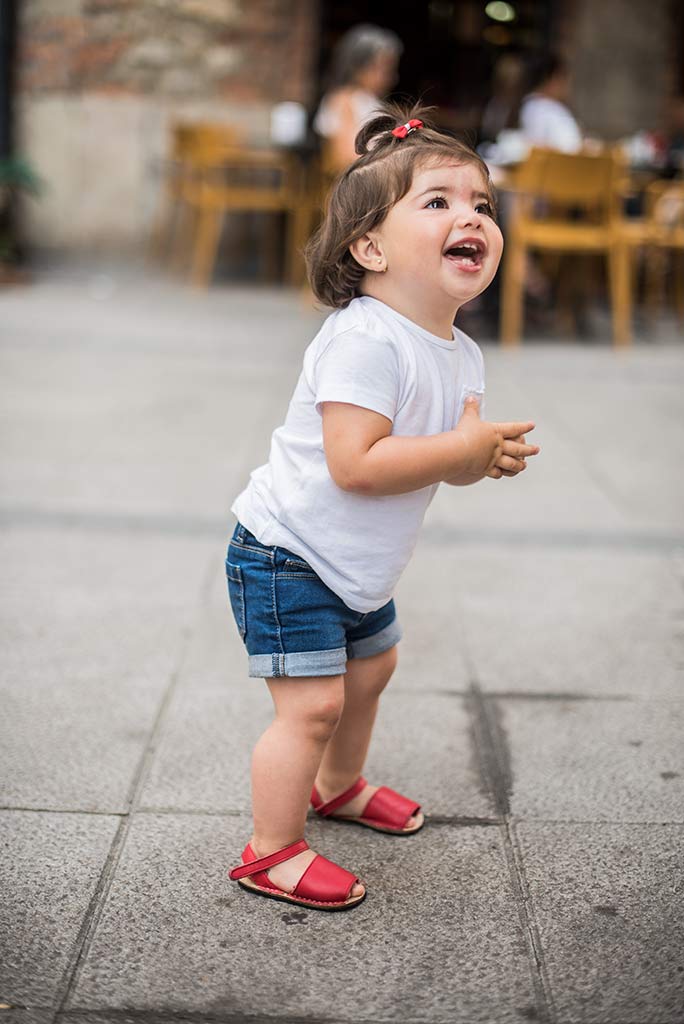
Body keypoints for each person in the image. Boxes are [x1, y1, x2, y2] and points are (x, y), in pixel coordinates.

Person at [225, 101, 540, 912]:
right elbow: (356, 465)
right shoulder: (366, 338)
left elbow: (434, 460)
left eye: (481, 205)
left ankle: (338, 787)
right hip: (288, 552)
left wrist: (476, 462)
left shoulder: (459, 351)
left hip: (354, 563)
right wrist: (457, 454)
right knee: (314, 703)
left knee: (373, 669)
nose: (469, 216)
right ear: (369, 247)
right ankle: (271, 850)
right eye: (437, 201)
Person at [313, 24, 402, 173]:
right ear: (359, 67)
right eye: (384, 69)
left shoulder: (373, 102)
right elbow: (344, 158)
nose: (392, 77)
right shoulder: (343, 101)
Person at [518, 53, 582, 153]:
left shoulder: (535, 105)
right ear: (554, 78)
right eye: (564, 78)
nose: (567, 85)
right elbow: (537, 146)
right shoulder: (541, 107)